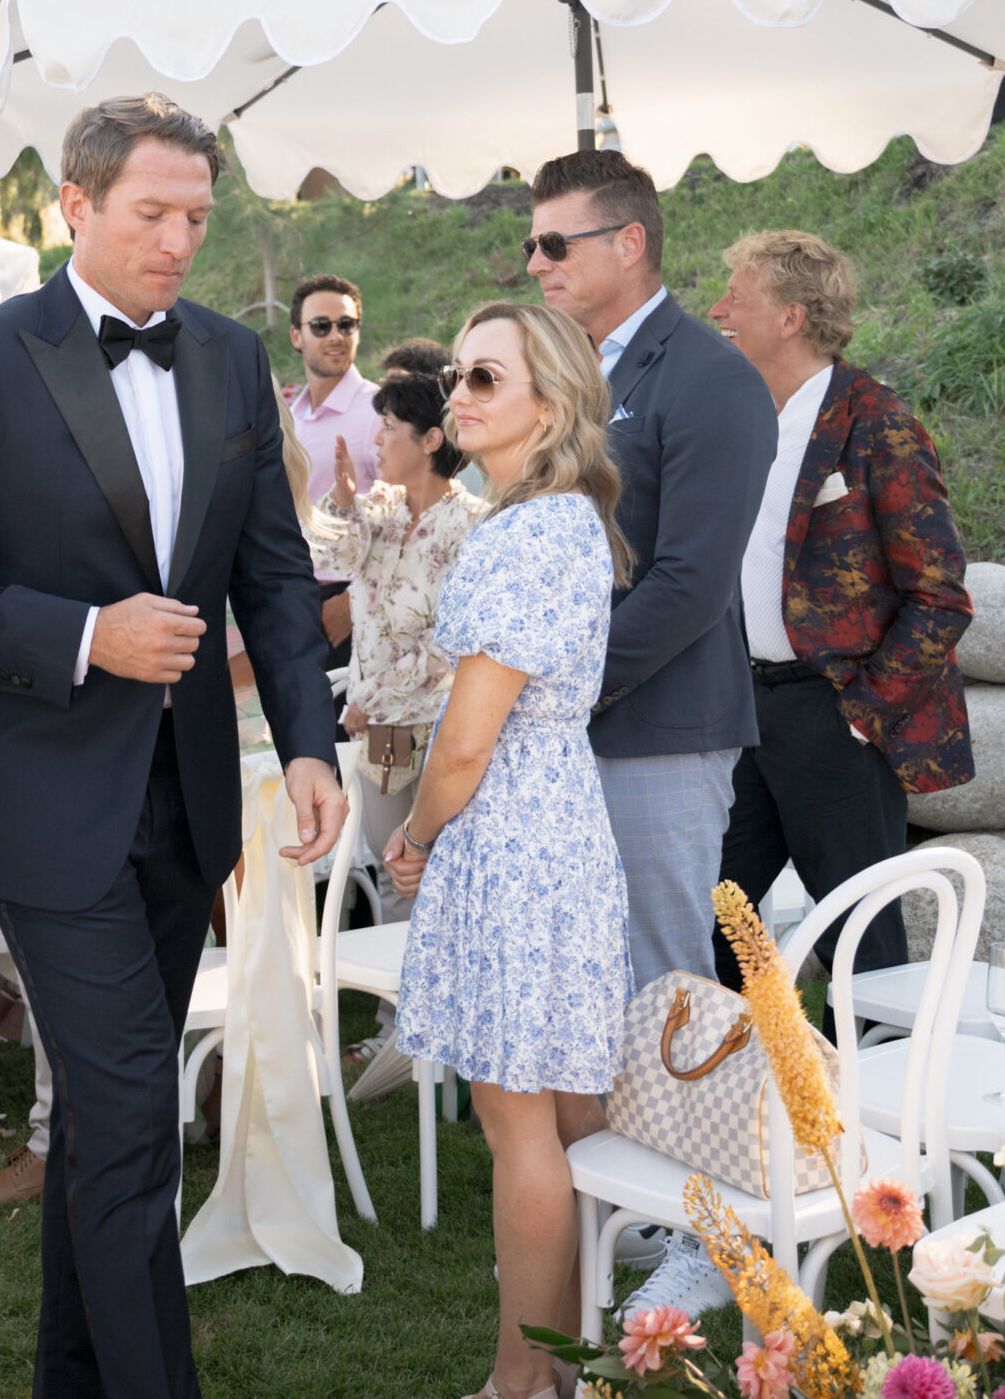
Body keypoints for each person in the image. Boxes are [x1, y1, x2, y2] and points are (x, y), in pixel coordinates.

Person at [0, 94, 346, 1399]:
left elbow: (276, 575)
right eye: (152, 213)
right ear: (74, 206)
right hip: (45, 800)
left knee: (108, 1127)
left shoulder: (237, 360)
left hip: (187, 803)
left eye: (197, 214)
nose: (180, 239)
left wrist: (309, 741)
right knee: (132, 1115)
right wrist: (82, 634)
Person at [520, 147, 774, 1323]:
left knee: (672, 982)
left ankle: (710, 1234)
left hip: (660, 722)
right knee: (606, 980)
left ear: (628, 243)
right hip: (577, 726)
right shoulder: (568, 371)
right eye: (530, 244)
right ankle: (648, 1193)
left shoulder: (709, 375)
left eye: (554, 243)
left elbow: (687, 581)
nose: (535, 263)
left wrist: (561, 684)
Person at [382, 300, 633, 1399]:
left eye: (486, 377)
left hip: (510, 834)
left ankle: (516, 1382)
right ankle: (561, 1372)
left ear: (555, 400)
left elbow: (467, 741)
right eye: (459, 377)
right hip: (558, 823)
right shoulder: (562, 521)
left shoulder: (523, 533)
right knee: (563, 1111)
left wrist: (417, 833)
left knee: (518, 1116)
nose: (459, 396)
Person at [708, 231, 972, 985]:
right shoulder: (741, 418)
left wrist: (861, 713)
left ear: (791, 317)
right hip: (743, 711)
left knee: (864, 950)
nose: (719, 309)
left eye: (739, 297)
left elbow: (940, 595)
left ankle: (879, 1097)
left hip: (837, 718)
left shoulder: (876, 421)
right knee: (711, 920)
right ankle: (733, 1093)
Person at [312, 370, 486, 1101]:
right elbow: (330, 562)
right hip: (379, 725)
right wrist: (344, 500)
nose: (377, 439)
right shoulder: (379, 508)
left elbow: (456, 645)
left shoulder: (474, 522)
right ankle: (401, 1029)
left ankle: (459, 1031)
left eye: (388, 429)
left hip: (444, 724)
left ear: (432, 440)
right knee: (393, 872)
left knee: (449, 875)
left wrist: (368, 699)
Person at [283, 275, 370, 666]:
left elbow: (416, 516)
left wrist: (353, 602)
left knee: (342, 728)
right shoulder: (291, 417)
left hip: (351, 604)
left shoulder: (380, 411)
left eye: (346, 325)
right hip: (293, 596)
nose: (335, 335)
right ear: (296, 336)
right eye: (321, 326)